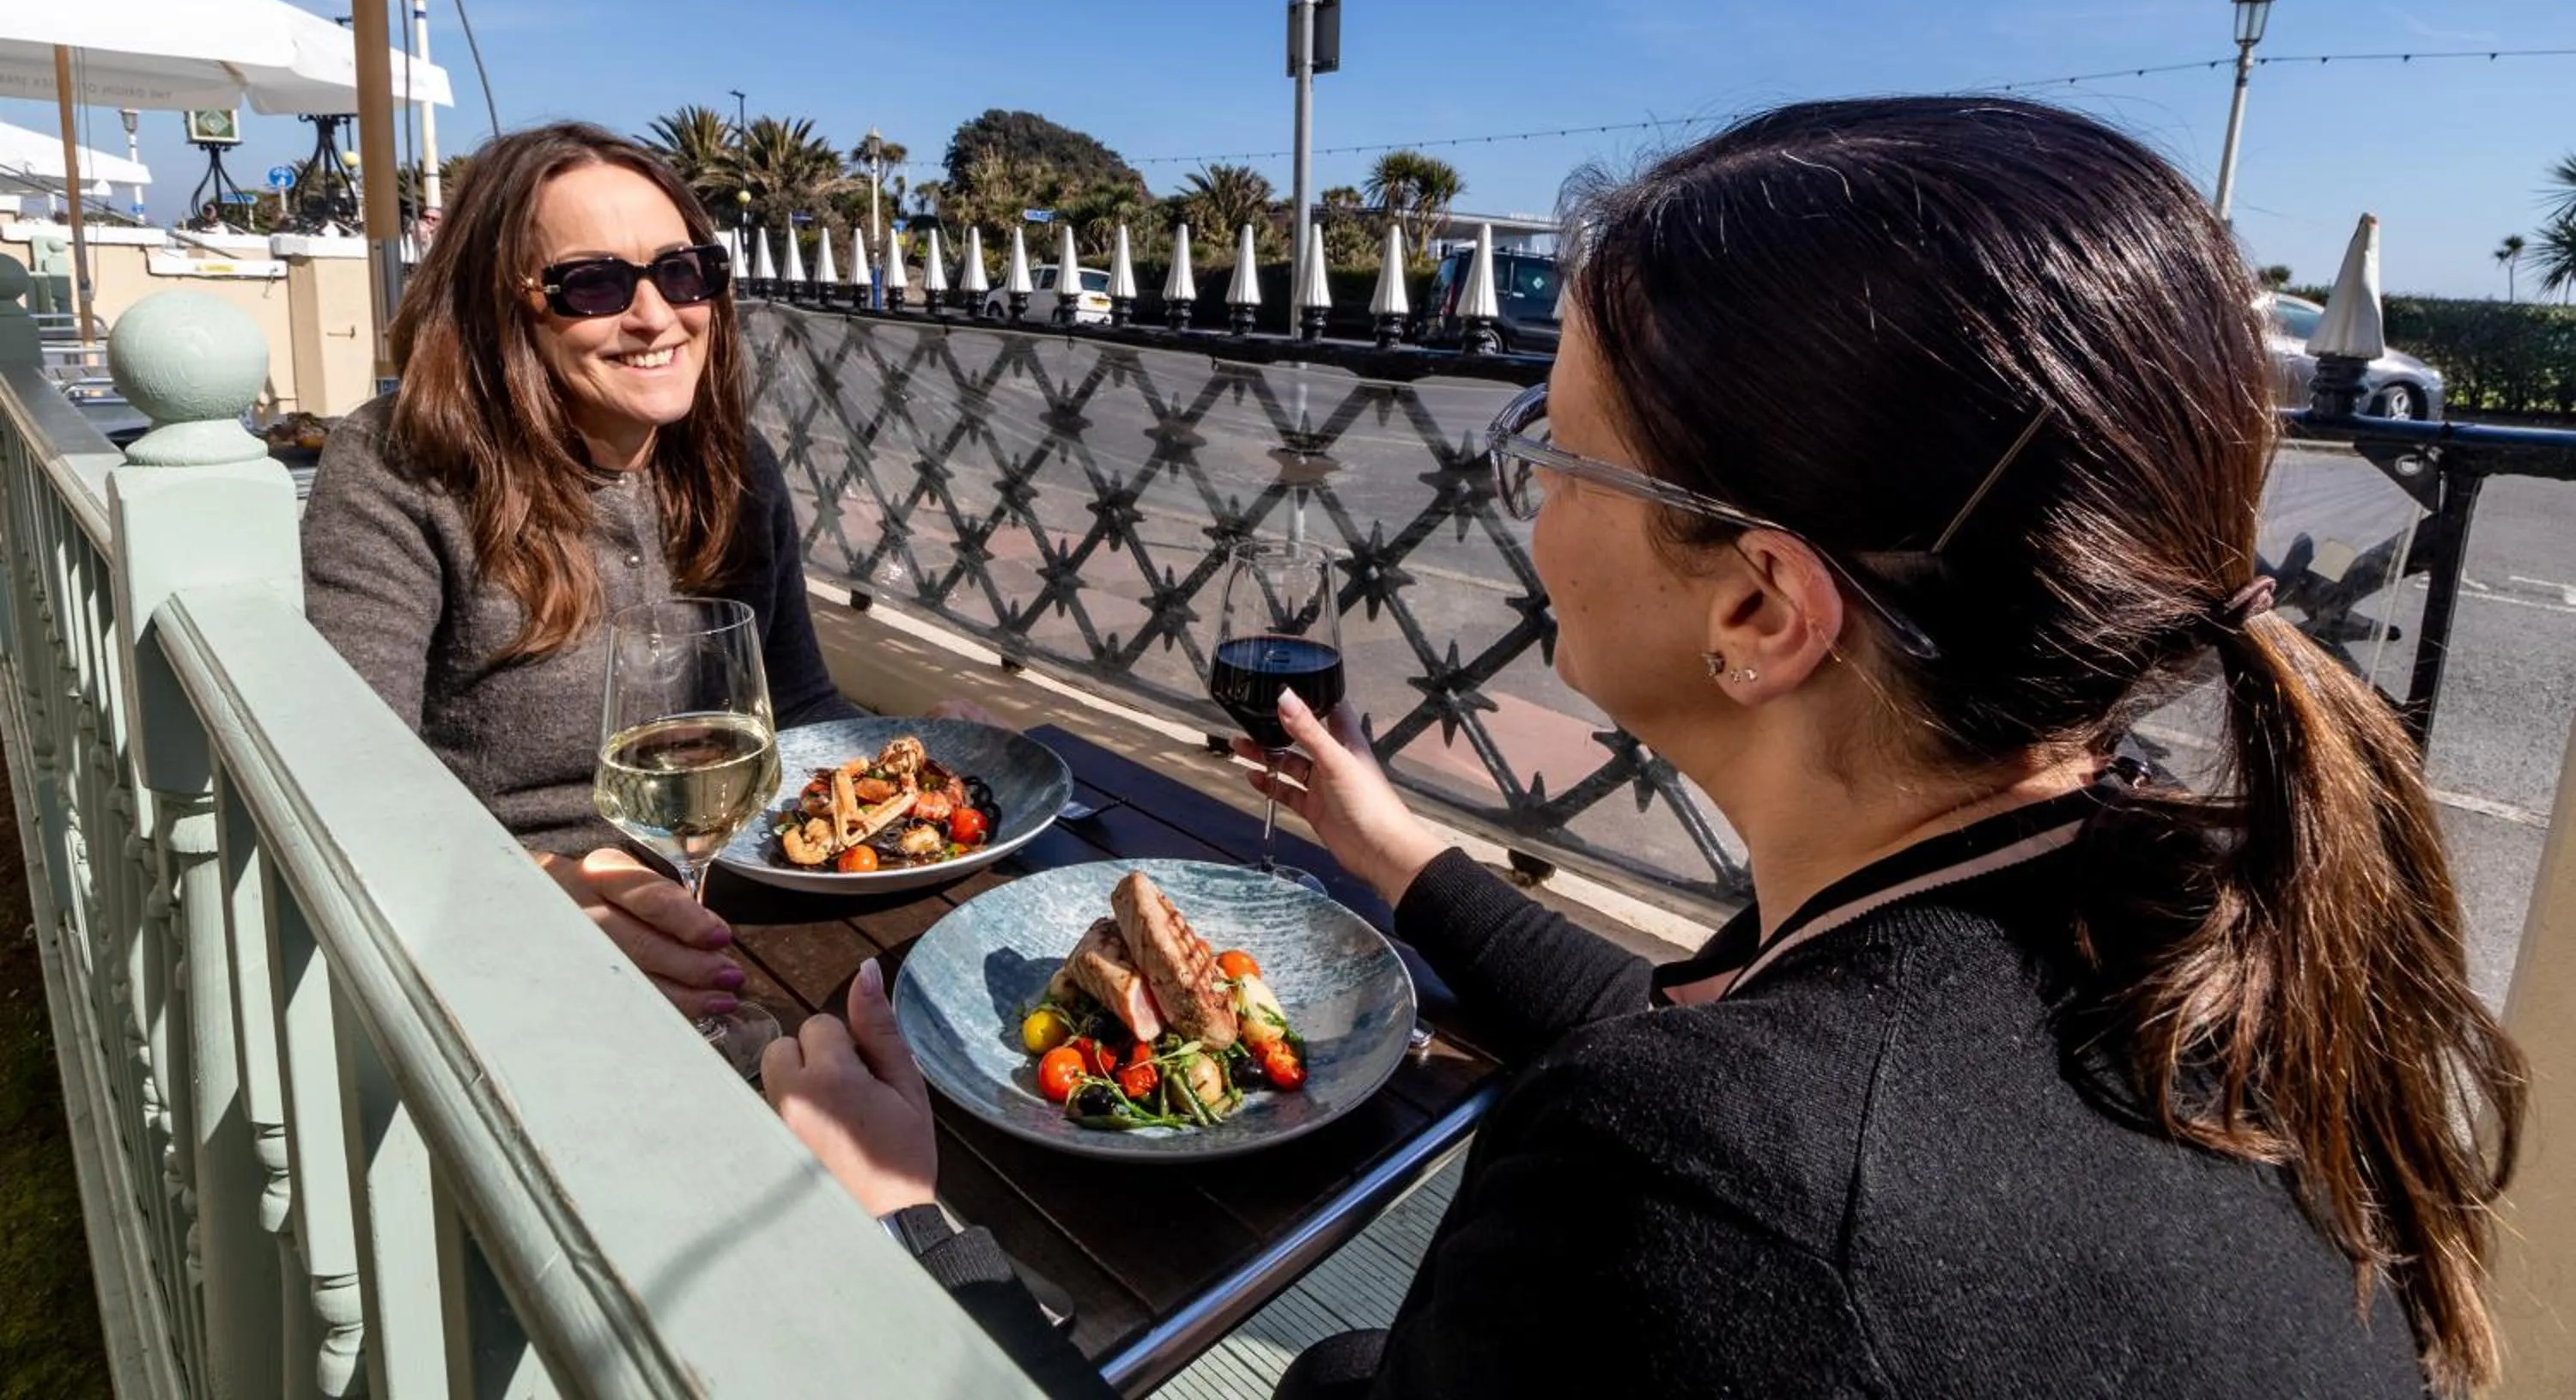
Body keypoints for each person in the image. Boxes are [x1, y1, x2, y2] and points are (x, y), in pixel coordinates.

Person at [761, 99, 2524, 1398]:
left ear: (1763, 605)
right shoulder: (2178, 919)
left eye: (1563, 445)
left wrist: (903, 1230)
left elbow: (1725, 1151)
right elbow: (1733, 1046)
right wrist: (1397, 849)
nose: (1526, 493)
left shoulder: (1707, 1198)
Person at [306, 121, 885, 1024]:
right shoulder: (400, 470)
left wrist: (915, 751)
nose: (656, 316)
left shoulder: (734, 463)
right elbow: (350, 780)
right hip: (505, 945)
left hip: (746, 903)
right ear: (503, 303)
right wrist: (541, 892)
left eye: (683, 271)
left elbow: (801, 706)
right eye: (595, 284)